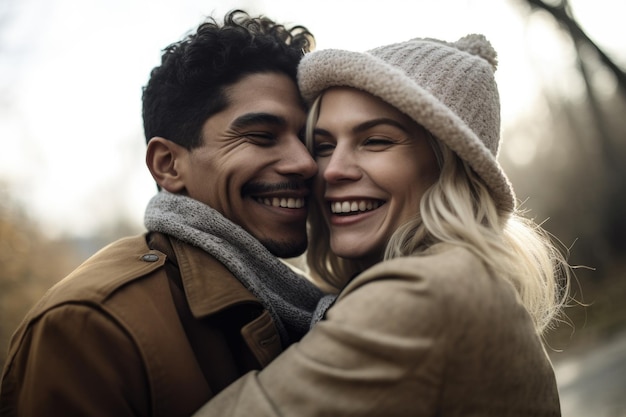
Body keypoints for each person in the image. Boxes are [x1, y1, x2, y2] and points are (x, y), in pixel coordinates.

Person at [193, 34, 571, 416]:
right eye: (324, 146)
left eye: (375, 141)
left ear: (448, 167)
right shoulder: (466, 277)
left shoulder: (427, 292)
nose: (332, 170)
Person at [0, 10, 327, 417]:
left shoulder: (315, 304)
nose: (306, 164)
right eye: (261, 137)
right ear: (169, 165)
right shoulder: (90, 325)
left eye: (308, 140)